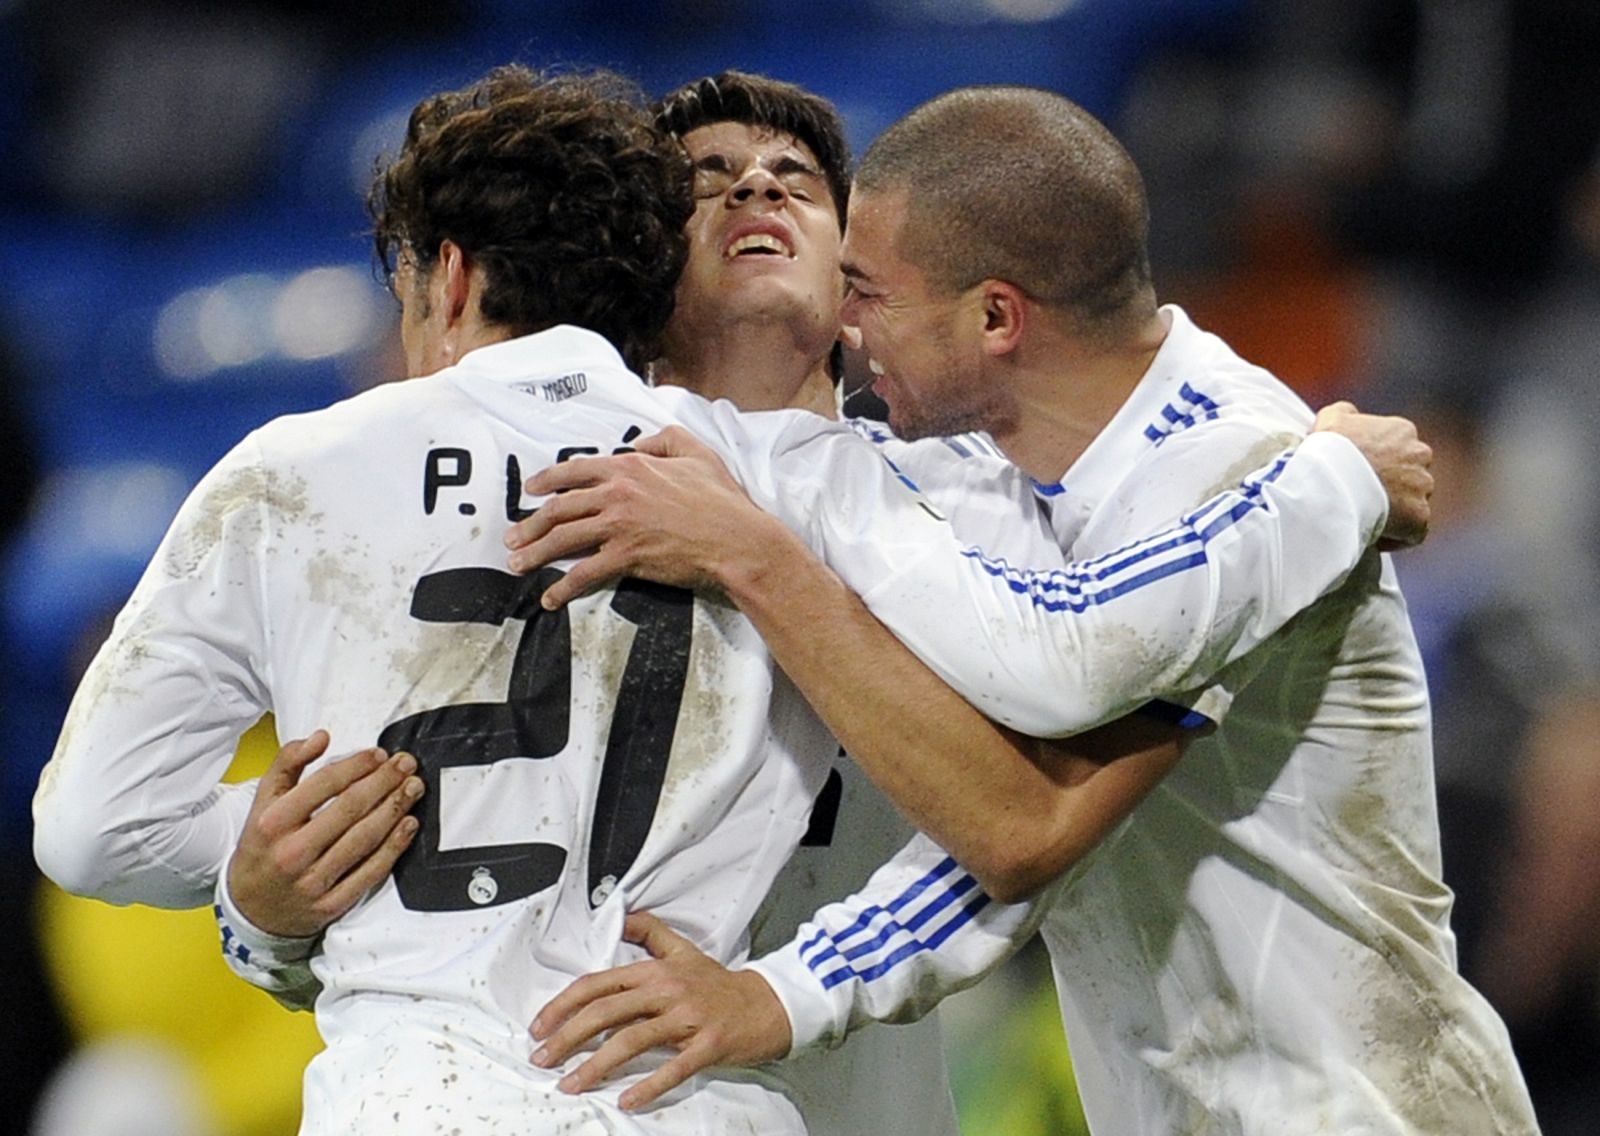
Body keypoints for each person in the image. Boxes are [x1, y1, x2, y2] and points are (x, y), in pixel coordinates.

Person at [31, 65, 1415, 1136]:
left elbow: (1025, 813)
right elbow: (410, 888)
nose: (756, 191)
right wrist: (259, 912)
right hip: (663, 1091)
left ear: (859, 278)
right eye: (708, 184)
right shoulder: (565, 491)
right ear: (639, 264)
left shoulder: (976, 509)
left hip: (860, 1094)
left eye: (798, 180)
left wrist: (1312, 481)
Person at [505, 87, 1540, 1134]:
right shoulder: (990, 484)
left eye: (865, 288)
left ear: (995, 315)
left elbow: (1031, 799)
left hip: (1358, 1110)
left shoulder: (1234, 469)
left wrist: (1332, 486)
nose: (849, 325)